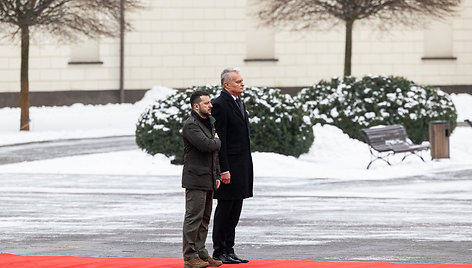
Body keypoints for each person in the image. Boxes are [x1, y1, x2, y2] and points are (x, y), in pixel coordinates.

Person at [211, 68, 254, 264]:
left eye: (242, 81)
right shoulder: (220, 104)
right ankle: (219, 251)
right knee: (225, 208)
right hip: (230, 166)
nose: (242, 84)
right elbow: (222, 140)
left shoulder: (238, 102)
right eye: (238, 81)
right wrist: (224, 169)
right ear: (226, 84)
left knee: (235, 208)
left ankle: (230, 249)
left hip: (241, 165)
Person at [182, 91, 223, 268]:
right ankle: (190, 257)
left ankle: (201, 253)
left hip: (208, 178)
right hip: (196, 179)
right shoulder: (191, 125)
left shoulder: (209, 123)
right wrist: (216, 141)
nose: (210, 105)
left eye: (210, 102)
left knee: (205, 219)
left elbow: (214, 153)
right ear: (195, 106)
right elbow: (207, 146)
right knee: (194, 218)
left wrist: (218, 174)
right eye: (206, 103)